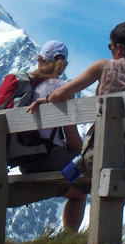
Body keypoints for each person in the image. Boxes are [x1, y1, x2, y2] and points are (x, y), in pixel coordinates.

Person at [27, 20, 125, 243]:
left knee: (73, 175)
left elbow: (61, 94)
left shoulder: (103, 67)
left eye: (111, 46)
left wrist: (46, 99)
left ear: (118, 48)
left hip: (99, 153)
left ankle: (72, 240)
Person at [19, 40, 86, 232]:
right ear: (63, 65)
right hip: (52, 161)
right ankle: (68, 240)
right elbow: (73, 141)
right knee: (82, 188)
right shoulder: (61, 89)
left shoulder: (25, 88)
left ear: (40, 60)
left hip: (25, 163)